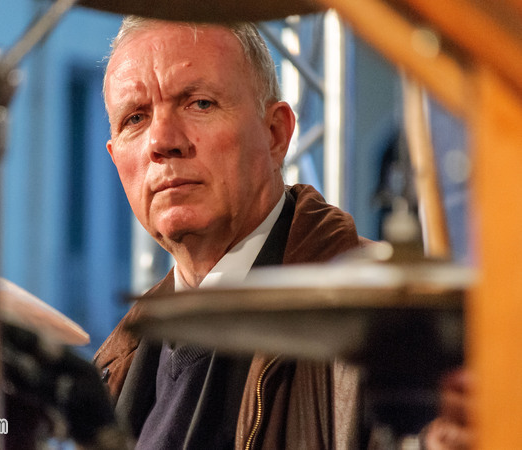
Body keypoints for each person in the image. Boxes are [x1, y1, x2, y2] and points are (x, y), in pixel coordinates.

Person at [93, 16, 469, 449]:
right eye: (135, 118)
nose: (162, 141)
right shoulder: (115, 363)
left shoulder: (396, 329)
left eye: (199, 103)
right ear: (115, 158)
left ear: (276, 134)